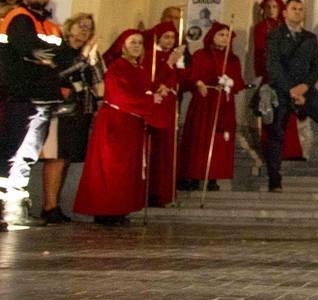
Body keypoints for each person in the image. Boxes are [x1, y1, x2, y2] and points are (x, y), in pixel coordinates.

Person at [74, 29, 161, 225]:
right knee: (113, 168)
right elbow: (121, 96)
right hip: (116, 123)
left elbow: (143, 89)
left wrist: (156, 92)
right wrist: (149, 100)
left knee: (126, 169)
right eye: (132, 42)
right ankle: (106, 210)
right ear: (122, 45)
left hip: (132, 123)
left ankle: (119, 208)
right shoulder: (117, 67)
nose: (137, 46)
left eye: (139, 42)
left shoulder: (138, 68)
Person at [265, 0, 318, 192]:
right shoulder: (275, 36)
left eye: (301, 9)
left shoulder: (310, 38)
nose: (297, 12)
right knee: (277, 131)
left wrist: (304, 87)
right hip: (282, 90)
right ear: (285, 13)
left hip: (305, 90)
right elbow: (274, 67)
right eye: (293, 9)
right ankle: (274, 178)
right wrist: (291, 90)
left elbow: (316, 67)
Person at [0, 0, 64, 227]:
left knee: (25, 155)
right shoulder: (19, 17)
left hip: (41, 98)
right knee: (10, 151)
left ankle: (14, 210)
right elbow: (30, 48)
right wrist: (62, 55)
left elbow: (54, 58)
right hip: (18, 95)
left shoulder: (50, 25)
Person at [39, 12, 102, 222]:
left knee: (66, 159)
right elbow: (56, 74)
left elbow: (97, 80)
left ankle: (55, 205)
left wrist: (92, 60)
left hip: (80, 110)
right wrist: (82, 60)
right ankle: (48, 206)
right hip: (60, 111)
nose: (84, 30)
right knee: (56, 158)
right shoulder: (58, 49)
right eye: (81, 25)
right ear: (70, 26)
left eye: (88, 28)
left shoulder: (87, 53)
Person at [178, 22, 245, 191]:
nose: (224, 39)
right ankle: (193, 175)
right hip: (204, 102)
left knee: (219, 141)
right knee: (199, 138)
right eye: (221, 35)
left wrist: (230, 82)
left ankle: (213, 176)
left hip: (224, 103)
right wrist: (198, 82)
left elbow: (239, 82)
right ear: (212, 36)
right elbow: (191, 77)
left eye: (227, 36)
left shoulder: (233, 59)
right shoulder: (201, 55)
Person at [252, 0, 302, 162]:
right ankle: (272, 151)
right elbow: (260, 51)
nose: (271, 10)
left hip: (287, 76)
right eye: (268, 7)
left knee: (288, 112)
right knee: (271, 111)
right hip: (270, 75)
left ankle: (290, 151)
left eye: (274, 6)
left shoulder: (286, 27)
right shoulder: (260, 28)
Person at [143, 21, 185, 207]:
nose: (169, 41)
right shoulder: (151, 56)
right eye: (166, 37)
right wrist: (169, 63)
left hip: (169, 105)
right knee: (156, 149)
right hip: (156, 105)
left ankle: (165, 192)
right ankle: (151, 192)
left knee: (168, 149)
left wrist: (180, 63)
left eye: (172, 37)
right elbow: (152, 79)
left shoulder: (173, 57)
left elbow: (182, 79)